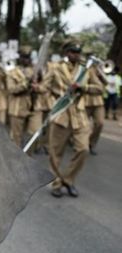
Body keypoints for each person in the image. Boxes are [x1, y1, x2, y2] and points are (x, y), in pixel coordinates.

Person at [48, 38, 104, 198]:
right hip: (61, 115)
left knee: (83, 149)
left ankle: (68, 179)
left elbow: (100, 88)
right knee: (55, 153)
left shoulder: (86, 70)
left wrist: (83, 87)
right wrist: (37, 87)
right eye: (73, 52)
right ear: (66, 53)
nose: (77, 55)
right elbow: (45, 86)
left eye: (78, 52)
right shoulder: (55, 68)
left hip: (79, 116)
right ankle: (56, 183)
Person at [6, 46, 34, 148]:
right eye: (24, 57)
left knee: (32, 136)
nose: (26, 60)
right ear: (20, 58)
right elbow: (12, 89)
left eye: (28, 57)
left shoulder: (33, 71)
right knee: (16, 138)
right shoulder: (12, 72)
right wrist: (25, 84)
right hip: (16, 109)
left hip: (30, 107)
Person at [82, 46, 106, 155]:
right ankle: (81, 143)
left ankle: (91, 143)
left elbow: (105, 82)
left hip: (98, 101)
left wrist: (100, 71)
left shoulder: (97, 69)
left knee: (100, 123)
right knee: (83, 125)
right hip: (85, 100)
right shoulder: (83, 67)